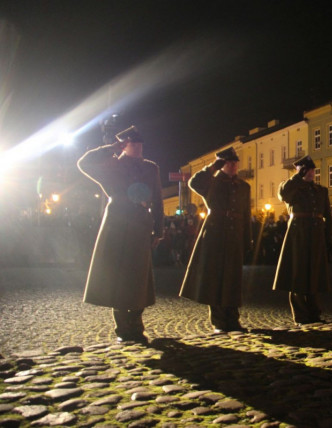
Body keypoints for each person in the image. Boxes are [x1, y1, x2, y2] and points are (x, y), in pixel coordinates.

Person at [77, 125, 163, 344]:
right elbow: (84, 163)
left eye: (139, 144)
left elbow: (158, 201)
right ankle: (123, 328)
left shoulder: (151, 168)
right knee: (118, 275)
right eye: (131, 143)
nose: (137, 147)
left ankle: (136, 324)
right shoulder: (112, 164)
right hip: (116, 222)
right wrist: (110, 148)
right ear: (124, 145)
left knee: (138, 277)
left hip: (140, 224)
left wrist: (158, 229)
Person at [179, 147, 252, 333]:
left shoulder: (244, 186)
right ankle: (219, 321)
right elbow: (194, 182)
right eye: (229, 162)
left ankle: (233, 319)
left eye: (236, 162)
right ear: (222, 164)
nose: (234, 165)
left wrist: (247, 239)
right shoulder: (212, 182)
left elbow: (245, 214)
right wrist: (213, 167)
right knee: (216, 278)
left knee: (233, 278)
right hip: (215, 233)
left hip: (235, 234)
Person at [273, 155, 332, 326]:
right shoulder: (293, 189)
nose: (311, 173)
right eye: (307, 171)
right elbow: (283, 194)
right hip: (298, 235)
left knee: (314, 274)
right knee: (298, 275)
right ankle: (300, 315)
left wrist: (330, 235)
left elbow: (327, 215)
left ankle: (314, 312)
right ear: (300, 171)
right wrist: (297, 176)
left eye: (312, 170)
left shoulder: (321, 191)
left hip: (315, 236)